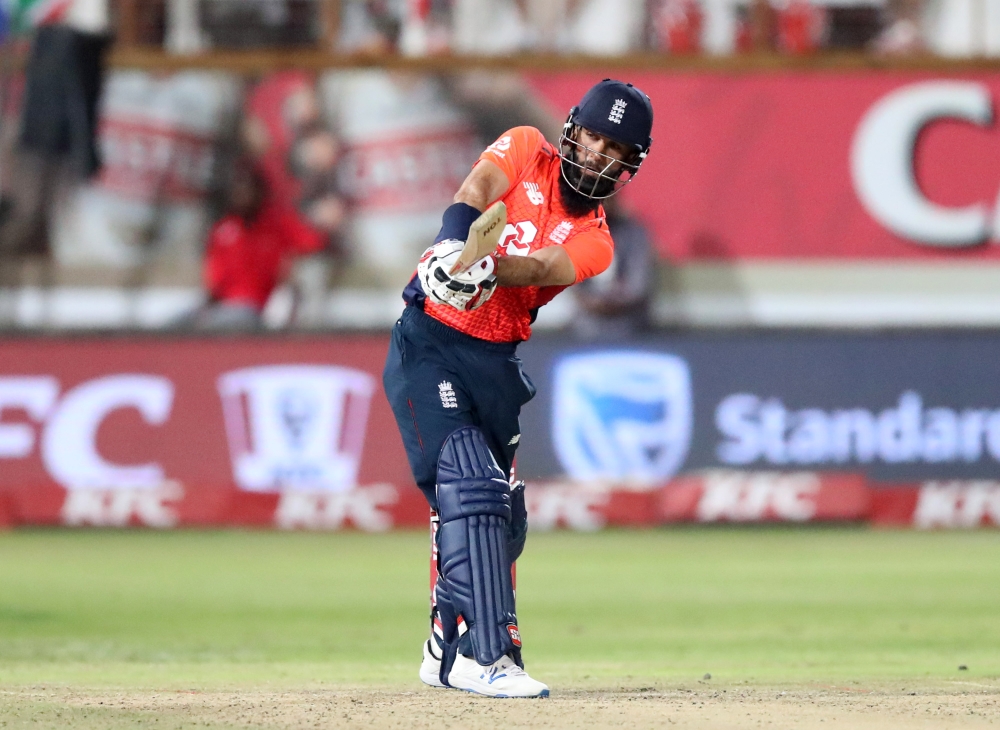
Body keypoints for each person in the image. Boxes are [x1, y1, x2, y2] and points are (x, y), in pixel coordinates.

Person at [382, 79, 654, 697]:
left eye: (616, 148)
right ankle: (483, 658)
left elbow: (540, 268)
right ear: (571, 130)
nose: (598, 155)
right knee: (471, 487)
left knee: (498, 518)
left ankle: (444, 642)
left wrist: (482, 269)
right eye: (593, 137)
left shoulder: (598, 241)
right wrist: (454, 247)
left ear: (630, 164)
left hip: (495, 359)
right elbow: (477, 191)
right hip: (430, 340)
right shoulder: (526, 145)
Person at [195, 161, 324, 330]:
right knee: (175, 324)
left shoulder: (277, 224)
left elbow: (313, 243)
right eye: (237, 191)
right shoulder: (224, 229)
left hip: (253, 307)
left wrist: (291, 263)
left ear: (259, 193)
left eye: (247, 191)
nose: (242, 196)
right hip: (221, 306)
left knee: (219, 323)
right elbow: (213, 277)